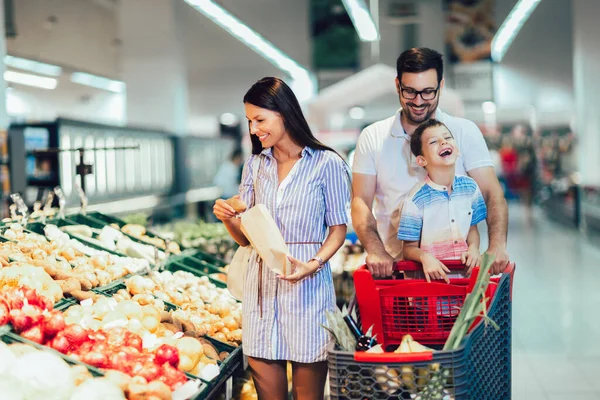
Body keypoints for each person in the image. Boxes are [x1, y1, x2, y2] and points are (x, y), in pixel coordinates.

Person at [213, 77, 350, 400]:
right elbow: (245, 240)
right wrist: (228, 219)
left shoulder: (326, 163)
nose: (253, 128)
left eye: (260, 119)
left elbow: (338, 229)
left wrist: (313, 264)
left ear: (284, 113)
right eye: (249, 121)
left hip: (307, 288)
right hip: (261, 291)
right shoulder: (255, 166)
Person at [351, 47, 509, 277]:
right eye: (409, 92)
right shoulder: (373, 137)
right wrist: (376, 251)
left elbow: (491, 192)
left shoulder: (464, 132)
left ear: (441, 87)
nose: (418, 101)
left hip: (458, 275)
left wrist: (497, 245)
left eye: (427, 92)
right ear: (397, 85)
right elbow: (361, 202)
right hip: (396, 273)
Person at [398, 119, 486, 283]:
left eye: (447, 137)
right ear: (421, 160)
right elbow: (408, 248)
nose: (443, 141)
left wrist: (473, 248)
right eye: (433, 141)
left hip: (465, 282)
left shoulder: (471, 188)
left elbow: (472, 229)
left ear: (457, 150)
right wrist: (425, 257)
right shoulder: (414, 200)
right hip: (431, 287)